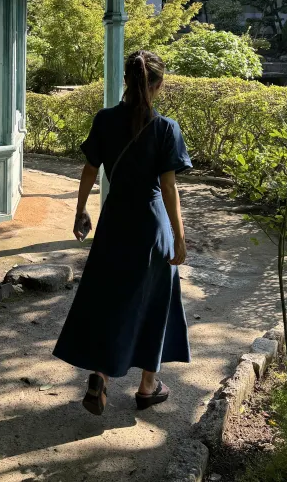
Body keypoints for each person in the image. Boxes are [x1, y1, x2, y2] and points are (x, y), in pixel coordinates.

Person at [53, 50, 192, 415]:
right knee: (155, 303)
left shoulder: (105, 120)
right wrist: (179, 235)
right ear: (158, 85)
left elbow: (88, 169)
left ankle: (100, 374)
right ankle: (147, 386)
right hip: (151, 226)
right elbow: (168, 186)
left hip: (114, 221)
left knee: (109, 298)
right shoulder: (166, 128)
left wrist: (81, 209)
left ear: (126, 83)